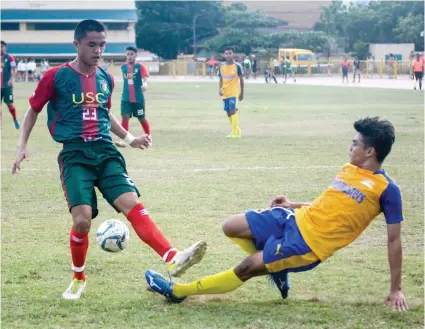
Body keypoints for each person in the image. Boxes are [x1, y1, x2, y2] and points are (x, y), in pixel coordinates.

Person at [11, 19, 207, 300]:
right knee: (82, 221)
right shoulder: (56, 77)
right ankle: (78, 278)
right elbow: (33, 110)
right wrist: (22, 146)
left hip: (106, 152)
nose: (98, 50)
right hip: (75, 155)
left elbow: (105, 113)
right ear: (76, 44)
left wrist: (130, 139)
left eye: (102, 45)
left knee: (133, 205)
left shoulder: (106, 78)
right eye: (92, 44)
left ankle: (173, 257)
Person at [145, 117, 409, 312]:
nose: (350, 148)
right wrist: (292, 205)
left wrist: (395, 288)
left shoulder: (387, 190)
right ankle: (278, 271)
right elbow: (331, 205)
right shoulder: (347, 168)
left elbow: (394, 241)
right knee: (230, 226)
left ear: (370, 151)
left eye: (355, 144)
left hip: (306, 245)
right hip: (293, 219)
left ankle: (179, 292)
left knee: (246, 268)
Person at [115, 46, 151, 148]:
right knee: (125, 116)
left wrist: (145, 84)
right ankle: (124, 140)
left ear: (135, 55)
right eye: (128, 54)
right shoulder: (123, 68)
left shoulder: (140, 67)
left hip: (138, 99)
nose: (130, 56)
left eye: (132, 54)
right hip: (125, 98)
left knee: (141, 118)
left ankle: (148, 137)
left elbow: (145, 78)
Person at [218, 47, 244, 139]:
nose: (228, 55)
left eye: (230, 53)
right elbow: (221, 79)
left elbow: (241, 80)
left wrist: (242, 93)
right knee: (228, 112)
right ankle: (236, 130)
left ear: (233, 54)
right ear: (225, 55)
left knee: (232, 110)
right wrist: (220, 89)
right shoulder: (221, 66)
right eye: (226, 53)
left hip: (233, 92)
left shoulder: (237, 66)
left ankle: (235, 132)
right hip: (225, 92)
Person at [1, 40, 20, 129]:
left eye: (2, 46)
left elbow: (14, 69)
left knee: (9, 104)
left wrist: (12, 79)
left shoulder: (9, 57)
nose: (0, 48)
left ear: (5, 47)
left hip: (6, 85)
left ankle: (15, 120)